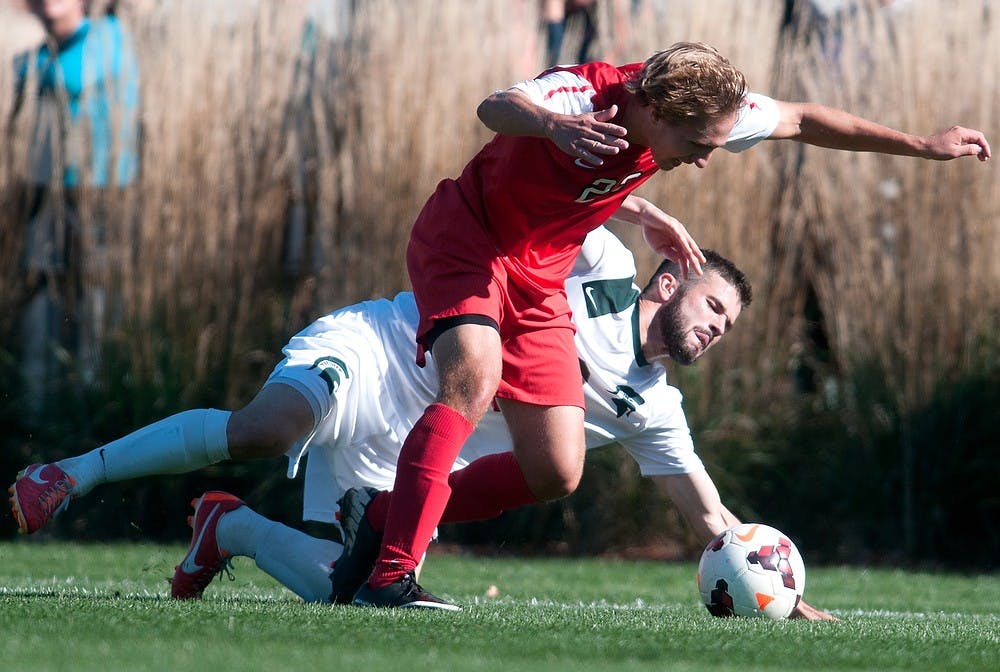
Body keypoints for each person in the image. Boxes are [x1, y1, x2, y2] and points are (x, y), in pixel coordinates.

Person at [346, 41, 990, 611]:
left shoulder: (705, 111)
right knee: (471, 381)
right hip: (470, 239)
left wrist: (918, 145)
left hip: (540, 278)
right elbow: (496, 106)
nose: (706, 160)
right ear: (656, 111)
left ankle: (378, 516)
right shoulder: (583, 91)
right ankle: (391, 576)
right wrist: (552, 126)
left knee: (556, 470)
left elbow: (801, 119)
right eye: (696, 146)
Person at [10, 0, 140, 418]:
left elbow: (71, 75)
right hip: (48, 191)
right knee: (49, 294)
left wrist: (28, 66)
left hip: (100, 192)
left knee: (93, 299)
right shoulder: (45, 50)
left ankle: (91, 400)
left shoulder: (107, 36)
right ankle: (44, 403)